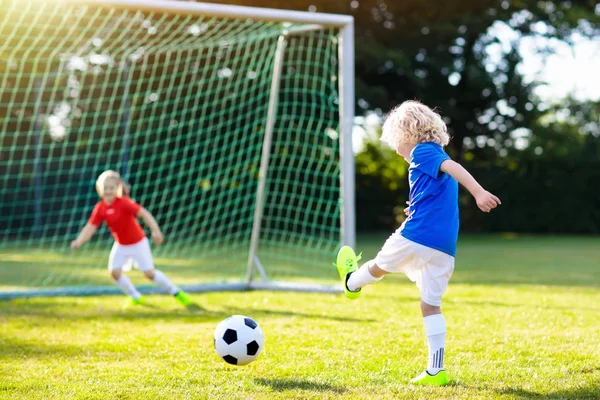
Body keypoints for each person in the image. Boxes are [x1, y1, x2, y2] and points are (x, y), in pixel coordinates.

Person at [335, 100, 501, 385]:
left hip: (417, 236)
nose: (396, 150)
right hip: (444, 248)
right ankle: (436, 370)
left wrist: (478, 191)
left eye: (394, 142)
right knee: (430, 305)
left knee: (379, 266)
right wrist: (418, 208)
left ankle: (352, 282)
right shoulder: (433, 155)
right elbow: (437, 196)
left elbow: (453, 166)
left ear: (405, 134)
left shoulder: (423, 152)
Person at [71, 170, 193, 307]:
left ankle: (176, 292)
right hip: (121, 245)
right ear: (100, 189)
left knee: (149, 274)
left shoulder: (124, 203)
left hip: (138, 243)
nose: (108, 191)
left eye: (111, 188)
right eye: (105, 188)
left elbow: (144, 214)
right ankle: (135, 296)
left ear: (117, 188)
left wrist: (156, 231)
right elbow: (90, 227)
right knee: (114, 272)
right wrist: (78, 241)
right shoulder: (100, 208)